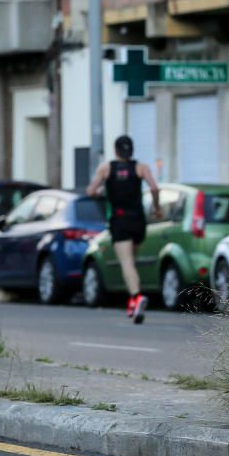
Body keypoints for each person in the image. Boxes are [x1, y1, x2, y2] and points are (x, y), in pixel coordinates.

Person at [86, 135, 160, 324]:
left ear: (115, 150)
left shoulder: (106, 168)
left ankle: (136, 297)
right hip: (138, 220)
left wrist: (102, 191)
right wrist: (157, 208)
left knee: (126, 263)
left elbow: (90, 191)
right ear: (131, 150)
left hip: (119, 220)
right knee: (132, 262)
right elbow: (154, 188)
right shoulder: (141, 168)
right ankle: (132, 302)